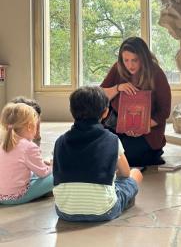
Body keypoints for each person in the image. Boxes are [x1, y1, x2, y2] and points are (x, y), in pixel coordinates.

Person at [53, 86, 143, 222]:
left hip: (65, 211)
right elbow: (125, 173)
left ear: (72, 111)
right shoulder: (112, 140)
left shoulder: (60, 141)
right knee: (135, 174)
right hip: (104, 211)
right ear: (106, 112)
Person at [101, 36, 171, 167]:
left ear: (143, 58)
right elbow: (99, 96)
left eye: (134, 60)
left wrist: (141, 126)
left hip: (147, 132)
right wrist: (118, 88)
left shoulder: (156, 73)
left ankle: (153, 152)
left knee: (125, 156)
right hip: (116, 126)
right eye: (126, 60)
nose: (130, 65)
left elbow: (164, 112)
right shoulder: (117, 68)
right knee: (103, 149)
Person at [0, 103, 53, 205]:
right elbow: (43, 173)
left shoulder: (3, 144)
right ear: (29, 127)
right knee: (56, 176)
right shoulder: (29, 146)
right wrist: (52, 166)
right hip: (15, 197)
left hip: (1, 195)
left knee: (32, 174)